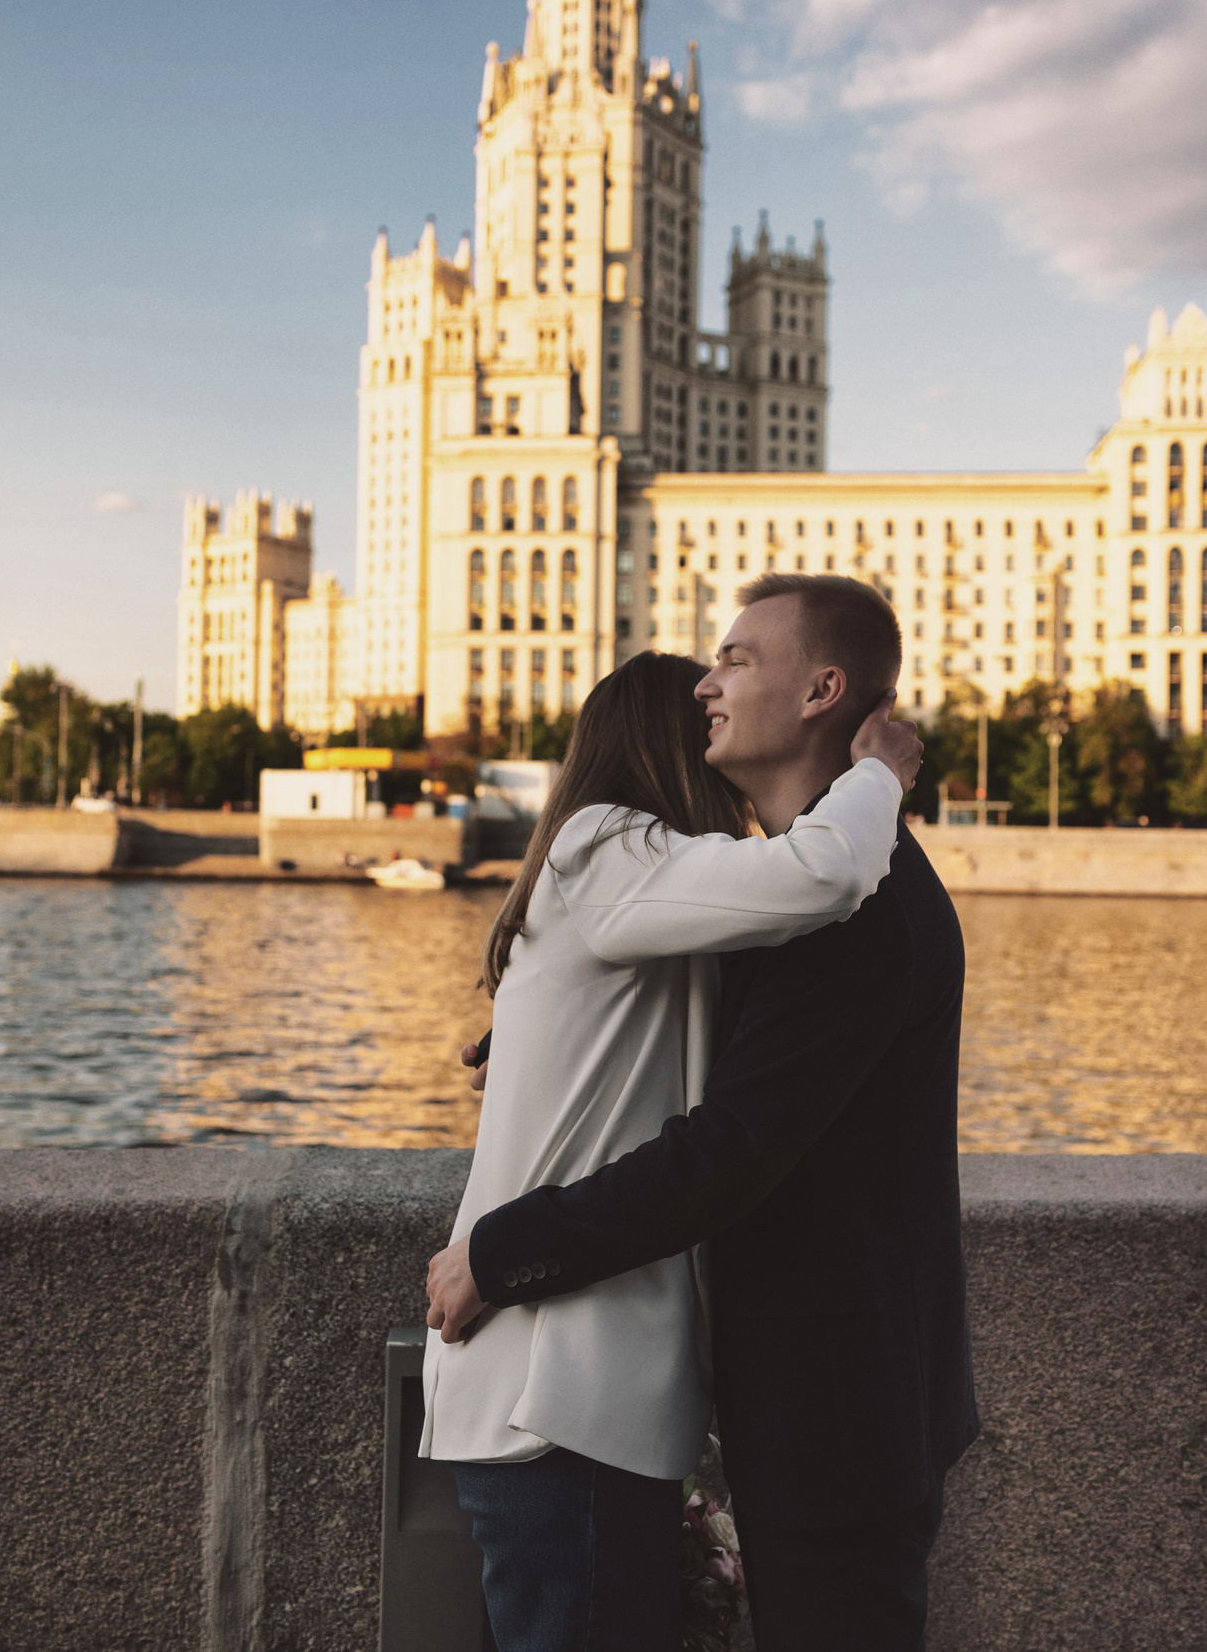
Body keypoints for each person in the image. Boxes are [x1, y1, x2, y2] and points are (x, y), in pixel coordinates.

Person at [429, 574, 977, 1650]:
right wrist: (537, 1031)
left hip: (832, 1416)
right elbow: (694, 1014)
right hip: (782, 1409)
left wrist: (502, 1251)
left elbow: (728, 1146)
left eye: (733, 660)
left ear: (821, 691)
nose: (708, 685)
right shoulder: (765, 896)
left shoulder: (850, 903)